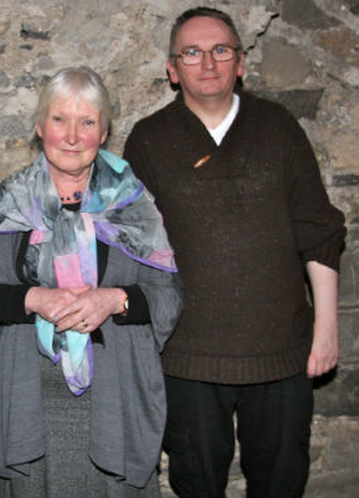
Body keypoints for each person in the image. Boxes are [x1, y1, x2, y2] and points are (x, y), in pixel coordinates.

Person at [123, 7, 347, 498]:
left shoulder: (279, 128)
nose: (208, 63)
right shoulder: (148, 140)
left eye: (221, 50)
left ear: (240, 63)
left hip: (282, 353)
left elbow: (319, 231)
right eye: (193, 53)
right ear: (172, 68)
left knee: (282, 483)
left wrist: (326, 331)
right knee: (196, 484)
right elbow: (133, 250)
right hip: (186, 358)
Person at [0, 66, 183, 498]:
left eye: (87, 122)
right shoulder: (8, 205)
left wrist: (114, 299)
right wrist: (32, 298)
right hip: (32, 400)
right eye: (60, 119)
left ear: (103, 132)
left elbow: (168, 297)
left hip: (116, 398)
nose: (71, 136)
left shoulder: (136, 206)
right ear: (39, 125)